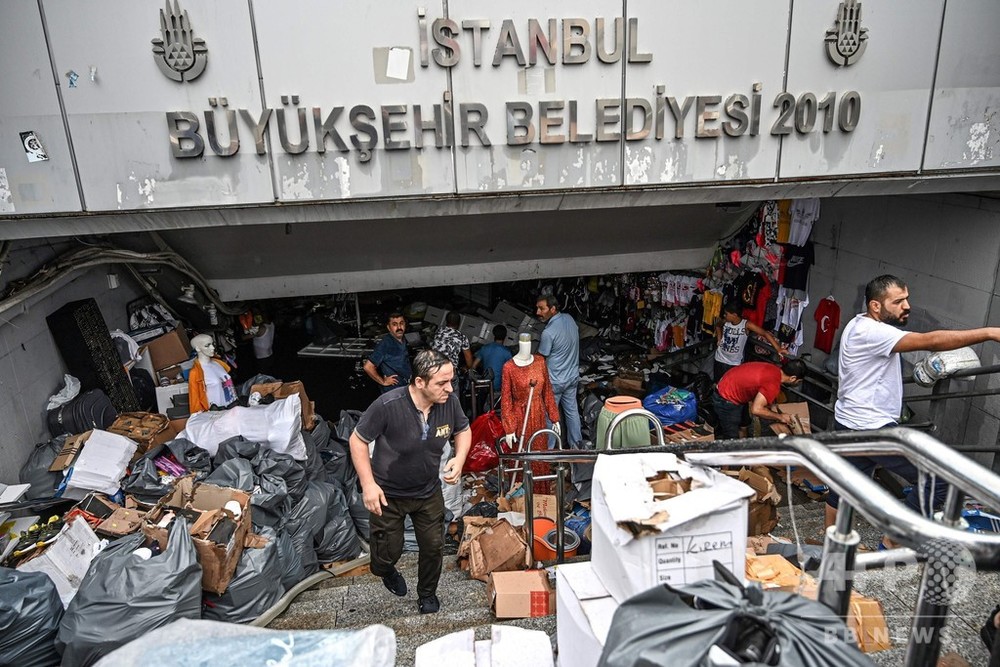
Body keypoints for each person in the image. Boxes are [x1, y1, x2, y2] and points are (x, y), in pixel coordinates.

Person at [826, 274, 1000, 530]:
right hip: (870, 429)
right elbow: (931, 341)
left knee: (845, 483)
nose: (907, 305)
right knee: (938, 481)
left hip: (850, 423)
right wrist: (989, 332)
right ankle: (893, 537)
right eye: (898, 301)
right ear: (875, 306)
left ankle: (831, 538)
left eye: (907, 298)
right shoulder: (874, 332)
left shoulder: (857, 323)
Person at [348, 349, 471, 615]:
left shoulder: (449, 402)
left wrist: (459, 459)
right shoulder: (387, 406)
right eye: (441, 383)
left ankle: (427, 593)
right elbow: (357, 440)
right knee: (387, 552)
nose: (449, 388)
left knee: (433, 546)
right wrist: (368, 484)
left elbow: (463, 429)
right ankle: (385, 570)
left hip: (428, 491)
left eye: (451, 380)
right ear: (419, 382)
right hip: (388, 494)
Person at [500, 333, 561, 492]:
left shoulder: (540, 361)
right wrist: (509, 427)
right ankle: (522, 496)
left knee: (539, 455)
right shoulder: (509, 367)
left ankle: (541, 495)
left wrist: (554, 418)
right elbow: (506, 399)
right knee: (523, 456)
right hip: (521, 417)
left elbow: (547, 391)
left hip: (539, 415)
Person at [712, 359, 806, 440]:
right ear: (793, 378)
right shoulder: (773, 384)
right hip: (726, 397)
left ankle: (744, 452)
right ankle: (732, 456)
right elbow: (756, 410)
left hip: (731, 386)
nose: (797, 384)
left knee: (744, 425)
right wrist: (780, 417)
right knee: (731, 437)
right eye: (798, 381)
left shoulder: (773, 369)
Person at [536, 294, 582, 448]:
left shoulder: (548, 333)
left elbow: (541, 358)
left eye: (542, 309)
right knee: (572, 413)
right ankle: (577, 446)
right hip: (572, 378)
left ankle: (549, 450)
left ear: (553, 309)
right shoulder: (569, 319)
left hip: (555, 382)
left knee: (550, 416)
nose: (538, 312)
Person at [714, 301, 785, 381]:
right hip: (720, 358)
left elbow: (765, 333)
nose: (724, 315)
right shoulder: (725, 321)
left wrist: (778, 348)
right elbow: (717, 326)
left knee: (730, 386)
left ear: (734, 315)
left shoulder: (746, 325)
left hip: (734, 363)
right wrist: (719, 339)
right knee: (718, 384)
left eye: (726, 314)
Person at [188, 333, 236, 413]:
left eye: (213, 344)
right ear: (198, 348)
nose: (213, 348)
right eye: (207, 345)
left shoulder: (218, 363)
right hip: (217, 414)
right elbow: (194, 400)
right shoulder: (195, 372)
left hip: (233, 408)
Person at [364, 312, 411, 392]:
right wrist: (383, 381)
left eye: (401, 323)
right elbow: (368, 367)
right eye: (395, 324)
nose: (399, 327)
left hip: (405, 386)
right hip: (394, 390)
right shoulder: (386, 344)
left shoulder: (403, 340)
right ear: (389, 328)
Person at [431, 311, 474, 390]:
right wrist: (465, 368)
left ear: (446, 321)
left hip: (434, 370)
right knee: (453, 399)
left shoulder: (438, 332)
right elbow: (469, 362)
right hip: (449, 372)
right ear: (459, 323)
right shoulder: (462, 337)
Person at [473, 324, 512, 393]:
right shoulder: (507, 352)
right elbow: (511, 372)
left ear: (493, 335)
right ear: (505, 337)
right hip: (498, 386)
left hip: (485, 384)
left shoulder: (484, 348)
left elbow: (474, 366)